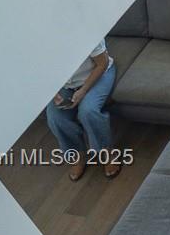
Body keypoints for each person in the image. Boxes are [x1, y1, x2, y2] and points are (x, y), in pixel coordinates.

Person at [46, 41, 119, 181]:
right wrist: (52, 92)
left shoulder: (86, 31)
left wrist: (83, 90)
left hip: (98, 75)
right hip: (65, 85)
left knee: (88, 111)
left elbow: (102, 63)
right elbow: (41, 70)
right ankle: (78, 155)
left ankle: (107, 153)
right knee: (55, 117)